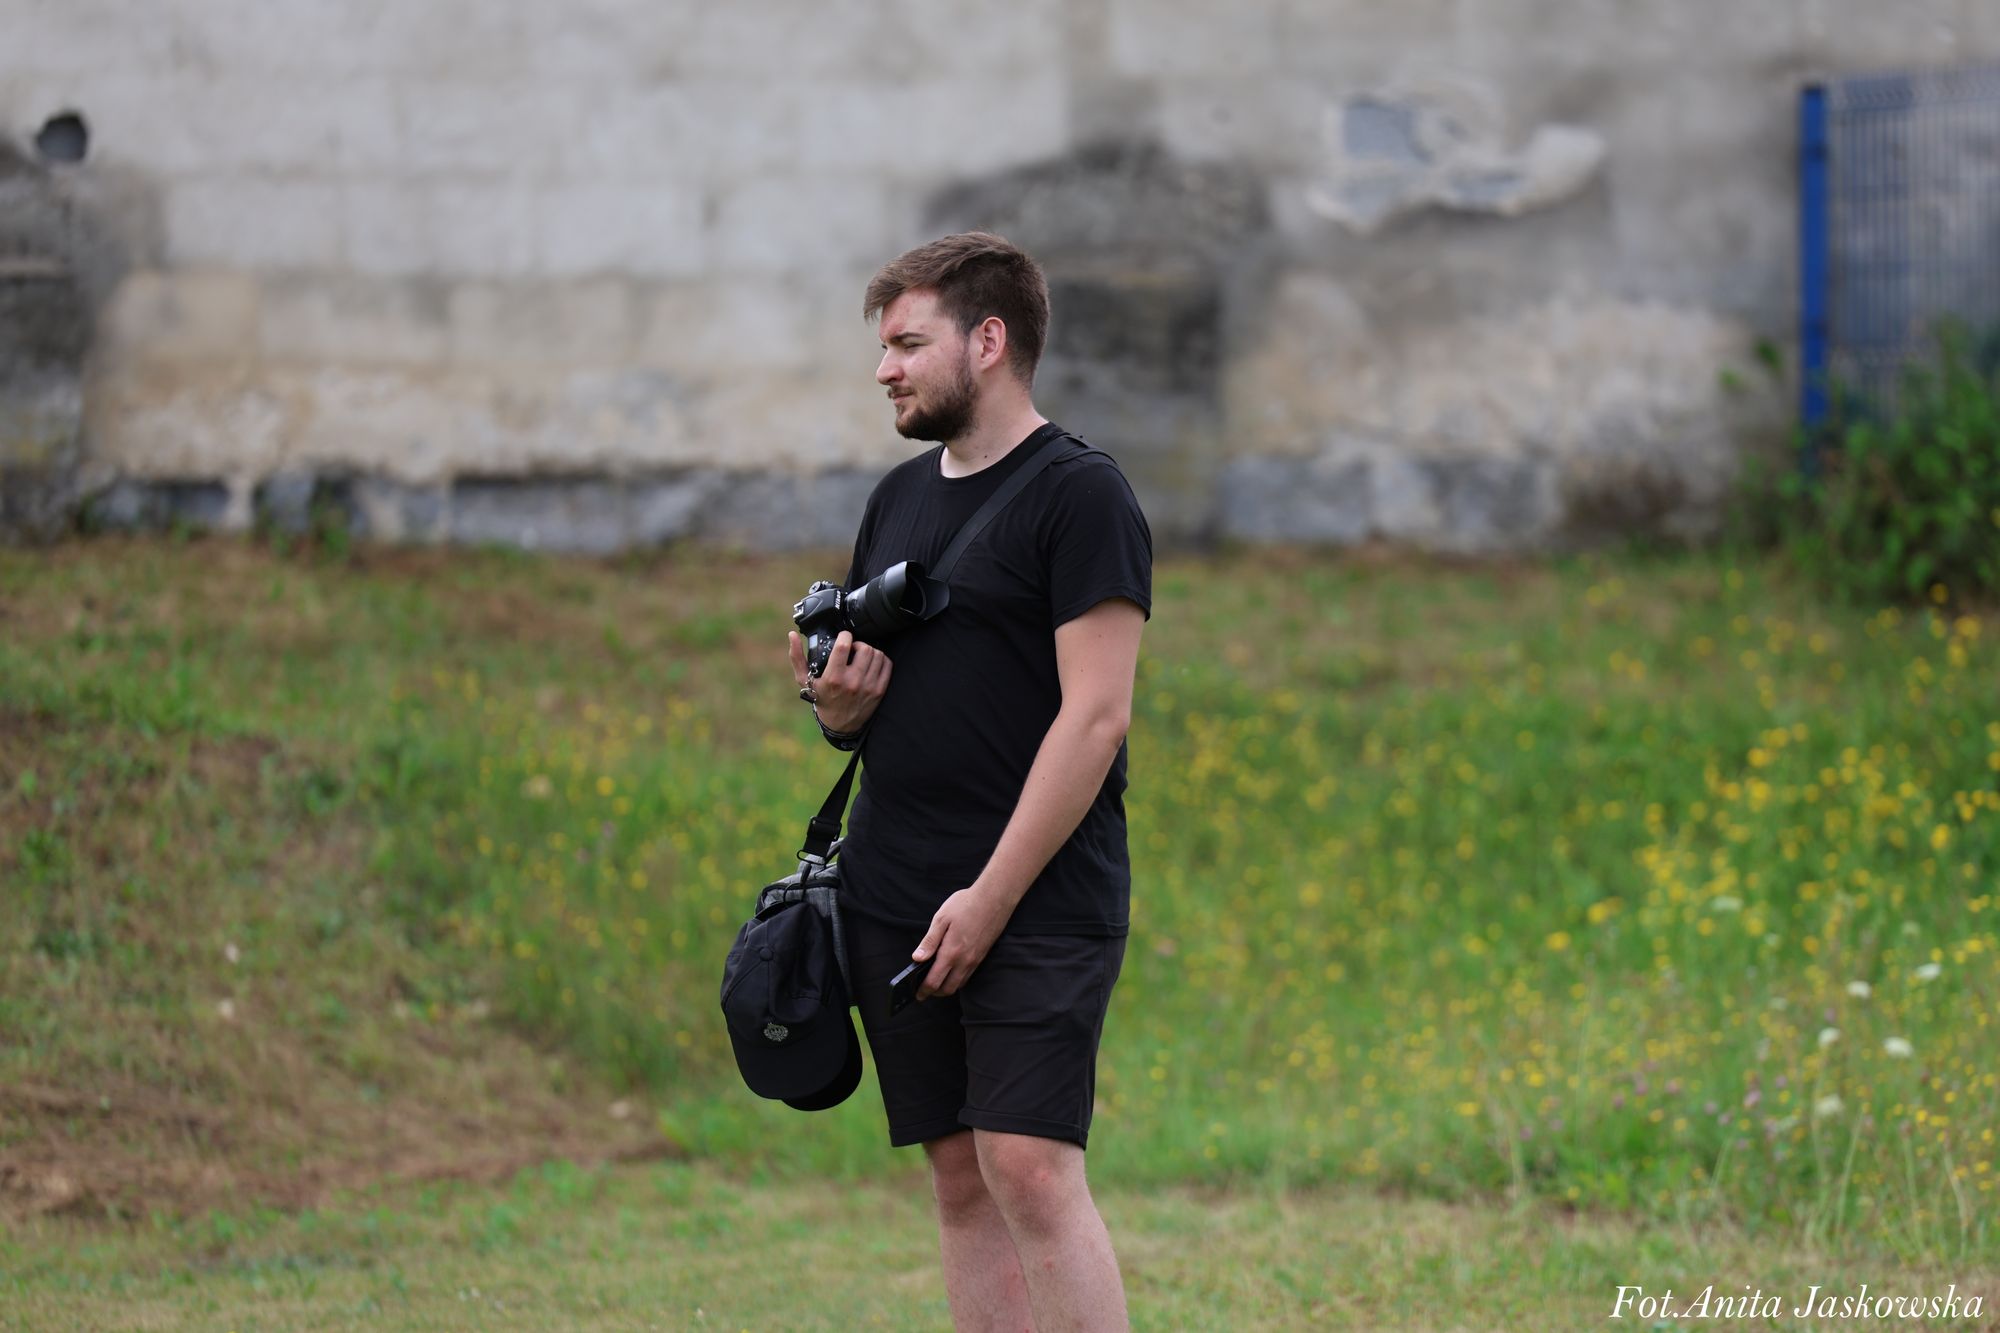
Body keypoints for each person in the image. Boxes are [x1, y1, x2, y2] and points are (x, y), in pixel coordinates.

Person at [785, 232, 1151, 1332]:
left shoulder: (1081, 496)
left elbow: (1095, 715)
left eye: (907, 342)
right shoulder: (895, 499)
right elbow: (878, 700)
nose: (885, 368)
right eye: (882, 347)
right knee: (957, 1178)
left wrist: (988, 899)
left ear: (988, 341)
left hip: (1036, 892)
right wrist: (835, 708)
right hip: (895, 883)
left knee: (1029, 1165)